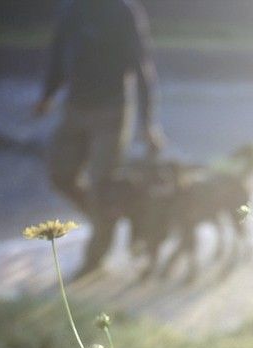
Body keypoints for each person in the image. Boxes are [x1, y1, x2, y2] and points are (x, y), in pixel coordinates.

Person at [34, 0, 161, 278]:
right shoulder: (70, 9)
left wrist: (148, 123)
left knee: (101, 185)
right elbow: (58, 54)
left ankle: (93, 260)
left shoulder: (122, 10)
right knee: (61, 175)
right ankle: (107, 217)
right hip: (75, 106)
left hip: (112, 109)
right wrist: (47, 94)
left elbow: (142, 67)